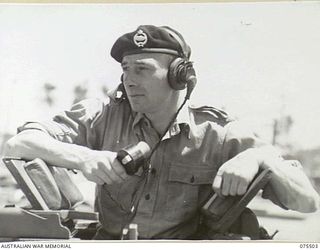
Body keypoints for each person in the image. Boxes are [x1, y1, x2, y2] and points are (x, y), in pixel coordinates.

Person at [4, 25, 320, 240]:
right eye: (125, 68)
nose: (128, 78)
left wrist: (258, 157)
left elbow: (307, 204)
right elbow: (20, 142)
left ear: (178, 75)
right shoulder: (104, 114)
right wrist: (84, 156)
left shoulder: (218, 132)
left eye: (142, 68)